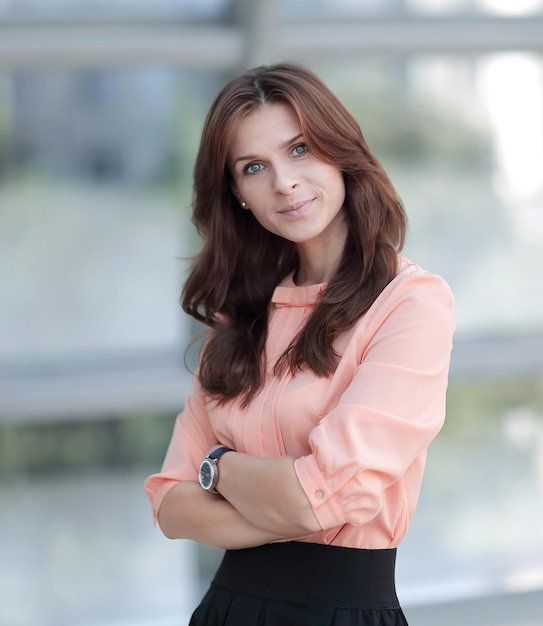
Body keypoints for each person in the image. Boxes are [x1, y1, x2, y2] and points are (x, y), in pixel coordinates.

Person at [144, 62, 455, 626]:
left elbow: (328, 495)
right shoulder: (237, 317)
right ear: (237, 194)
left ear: (341, 152)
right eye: (254, 167)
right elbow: (170, 502)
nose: (283, 182)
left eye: (301, 149)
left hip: (340, 612)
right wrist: (300, 502)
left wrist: (216, 466)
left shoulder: (410, 304)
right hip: (226, 610)